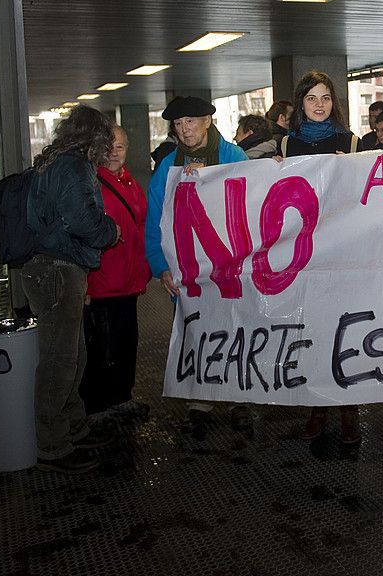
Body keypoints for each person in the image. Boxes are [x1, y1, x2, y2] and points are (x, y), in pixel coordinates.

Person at [19, 106, 120, 474]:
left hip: (54, 269)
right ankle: (53, 445)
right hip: (57, 269)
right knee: (60, 360)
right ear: (93, 137)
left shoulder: (54, 162)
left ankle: (73, 427)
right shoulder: (73, 167)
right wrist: (112, 231)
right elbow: (83, 222)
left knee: (71, 352)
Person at [146, 96, 250, 433]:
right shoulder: (167, 167)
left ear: (207, 120)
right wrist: (161, 266)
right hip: (188, 268)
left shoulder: (233, 156)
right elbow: (154, 221)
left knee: (234, 329)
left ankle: (238, 398)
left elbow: (252, 195)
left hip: (228, 264)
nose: (184, 129)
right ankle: (199, 398)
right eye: (178, 124)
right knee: (196, 331)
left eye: (190, 121)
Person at [281, 71, 363, 444]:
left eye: (325, 98)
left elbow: (366, 198)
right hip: (303, 256)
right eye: (312, 98)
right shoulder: (284, 145)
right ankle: (317, 406)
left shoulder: (353, 141)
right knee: (312, 331)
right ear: (301, 104)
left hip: (342, 253)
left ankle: (349, 409)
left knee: (345, 330)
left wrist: (349, 172)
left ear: (334, 103)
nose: (319, 104)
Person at [80, 127, 150, 418]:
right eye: (108, 147)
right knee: (102, 347)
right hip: (101, 282)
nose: (114, 153)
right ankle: (97, 406)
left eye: (120, 147)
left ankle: (121, 396)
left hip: (128, 281)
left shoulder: (129, 181)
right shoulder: (90, 184)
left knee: (125, 342)